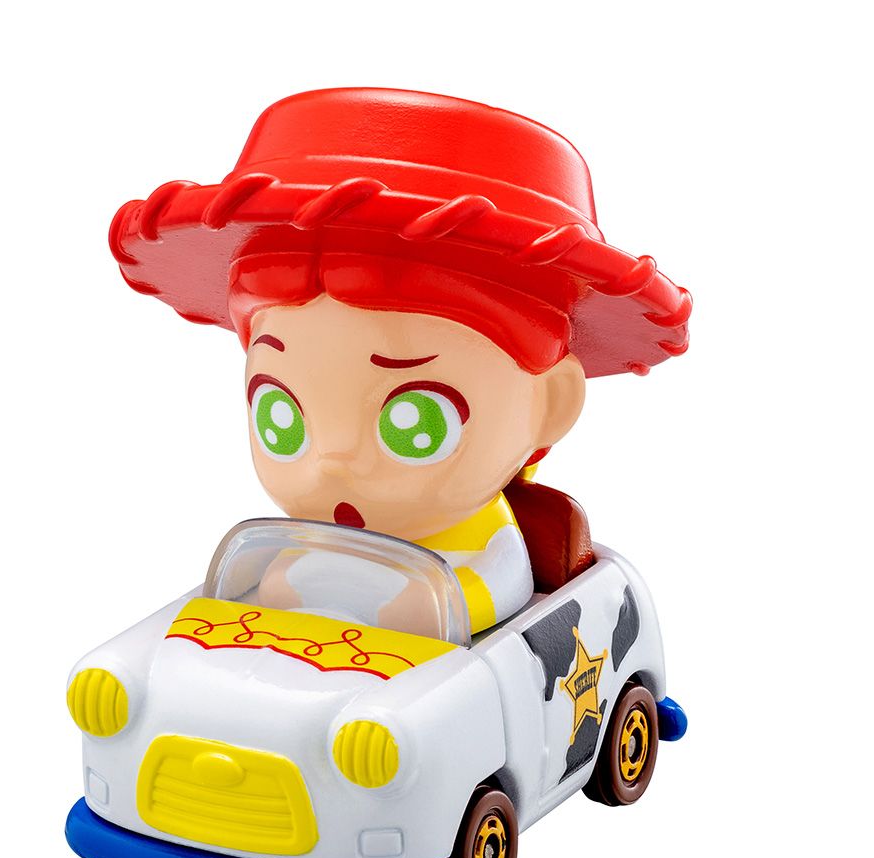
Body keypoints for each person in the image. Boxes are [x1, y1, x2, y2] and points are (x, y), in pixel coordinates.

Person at [109, 88, 691, 633]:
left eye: (414, 419)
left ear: (549, 405)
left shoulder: (481, 545)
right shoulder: (307, 535)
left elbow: (491, 595)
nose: (334, 459)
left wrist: (431, 607)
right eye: (279, 416)